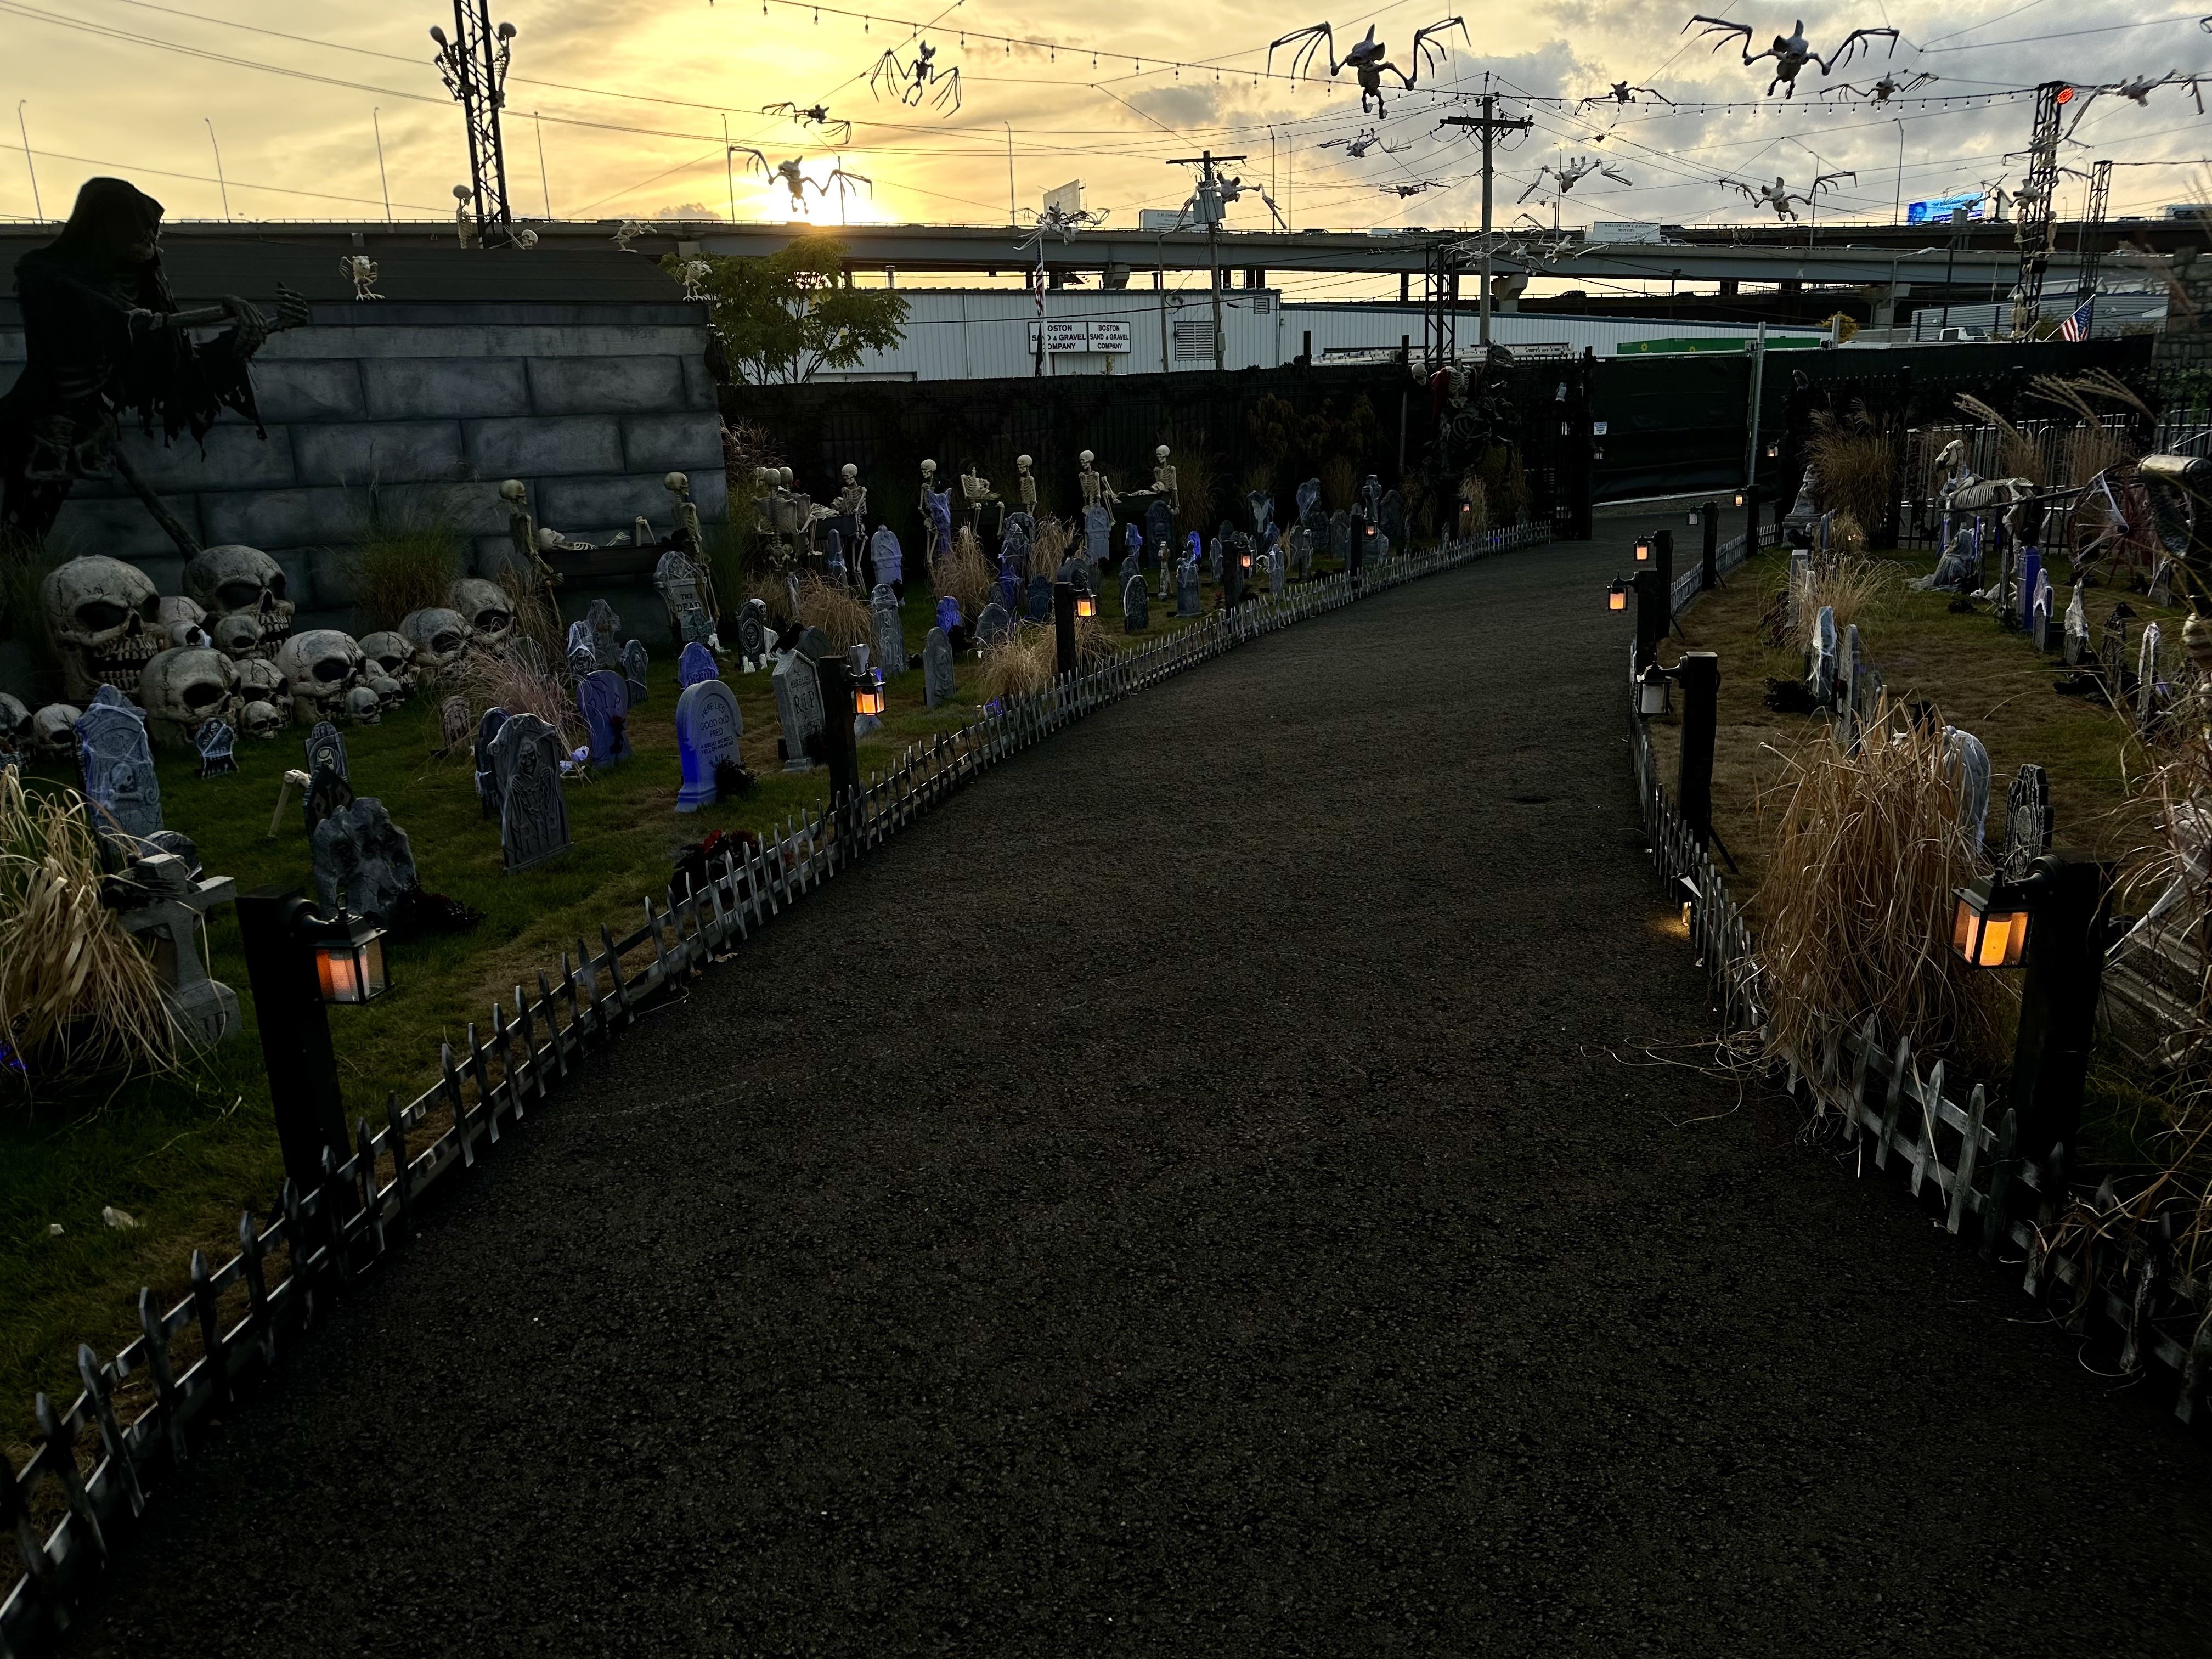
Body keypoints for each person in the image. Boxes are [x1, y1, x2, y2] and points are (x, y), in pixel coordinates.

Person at [0, 177, 304, 545]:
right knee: (23, 528)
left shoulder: (142, 281)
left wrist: (266, 327)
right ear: (107, 231)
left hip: (92, 420)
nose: (150, 240)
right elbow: (121, 320)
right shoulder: (47, 275)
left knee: (29, 527)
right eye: (138, 231)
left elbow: (178, 362)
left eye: (153, 230)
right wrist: (228, 308)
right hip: (41, 419)